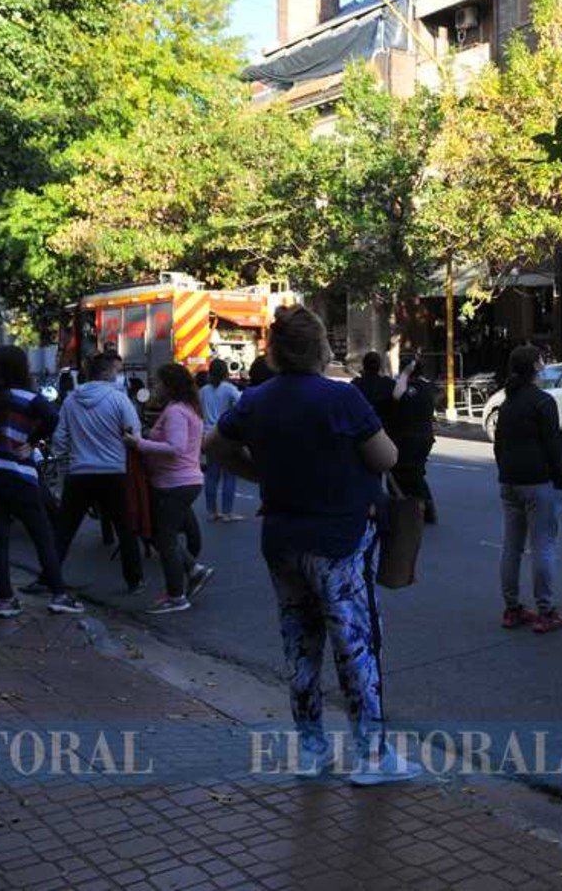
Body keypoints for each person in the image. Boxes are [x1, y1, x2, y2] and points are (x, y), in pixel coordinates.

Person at [206, 306, 419, 783]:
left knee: (299, 645)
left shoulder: (256, 400)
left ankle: (311, 749)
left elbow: (215, 445)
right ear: (322, 348)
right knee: (355, 643)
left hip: (281, 538)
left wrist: (262, 474)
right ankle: (371, 756)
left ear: (276, 350)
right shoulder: (339, 400)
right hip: (339, 539)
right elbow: (387, 456)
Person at [0, 346, 84, 619]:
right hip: (20, 475)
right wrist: (32, 442)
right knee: (42, 535)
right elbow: (56, 418)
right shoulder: (30, 399)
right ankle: (59, 594)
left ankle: (5, 600)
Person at [51, 351, 144, 591]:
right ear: (105, 373)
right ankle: (134, 580)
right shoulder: (119, 400)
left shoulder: (71, 400)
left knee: (64, 529)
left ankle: (48, 576)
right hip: (114, 472)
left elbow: (59, 439)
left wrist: (66, 463)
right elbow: (134, 434)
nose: (119, 376)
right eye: (117, 371)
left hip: (79, 473)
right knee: (125, 528)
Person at [493, 345, 562, 633]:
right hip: (537, 481)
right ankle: (545, 609)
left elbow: (499, 446)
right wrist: (560, 479)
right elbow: (553, 445)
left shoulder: (507, 402)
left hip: (510, 480)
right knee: (543, 545)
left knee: (511, 546)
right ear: (536, 367)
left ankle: (512, 607)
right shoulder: (543, 402)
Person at [128, 364, 214, 615]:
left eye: (158, 382)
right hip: (178, 481)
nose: (155, 387)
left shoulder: (176, 411)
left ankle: (176, 595)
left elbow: (175, 447)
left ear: (170, 385)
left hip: (177, 483)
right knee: (162, 534)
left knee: (164, 538)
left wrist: (139, 443)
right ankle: (193, 570)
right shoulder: (187, 409)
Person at [389, 356, 438, 525]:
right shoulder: (427, 387)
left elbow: (397, 396)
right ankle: (422, 508)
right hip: (425, 436)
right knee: (416, 472)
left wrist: (404, 374)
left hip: (411, 438)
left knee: (409, 473)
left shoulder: (411, 388)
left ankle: (423, 508)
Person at [199, 360, 242, 522]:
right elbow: (242, 404)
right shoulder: (229, 389)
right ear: (225, 372)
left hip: (208, 436)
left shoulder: (203, 391)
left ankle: (212, 511)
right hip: (225, 435)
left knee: (212, 475)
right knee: (229, 474)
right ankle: (227, 512)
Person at [352, 351, 397, 425]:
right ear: (380, 366)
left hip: (361, 426)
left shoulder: (355, 384)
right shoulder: (390, 384)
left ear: (364, 365)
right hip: (383, 426)